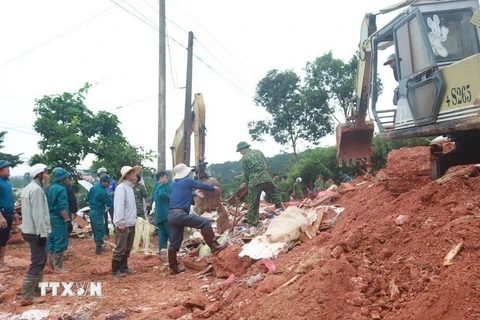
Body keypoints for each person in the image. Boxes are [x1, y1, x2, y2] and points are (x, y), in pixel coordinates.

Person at [168, 163, 227, 274]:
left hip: (171, 216)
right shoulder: (187, 181)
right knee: (204, 222)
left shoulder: (173, 184)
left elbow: (181, 195)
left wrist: (193, 193)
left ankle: (173, 268)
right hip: (181, 215)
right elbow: (201, 185)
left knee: (175, 243)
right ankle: (214, 246)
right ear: (185, 173)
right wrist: (213, 188)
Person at [236, 142, 284, 236]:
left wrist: (248, 183)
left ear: (242, 149)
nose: (240, 153)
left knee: (253, 203)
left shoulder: (243, 159)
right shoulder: (258, 152)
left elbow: (246, 174)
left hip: (254, 181)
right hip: (266, 177)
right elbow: (266, 164)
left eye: (240, 151)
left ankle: (252, 226)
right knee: (276, 197)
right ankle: (284, 213)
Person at [20, 164, 51, 305]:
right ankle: (27, 295)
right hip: (36, 230)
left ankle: (38, 288)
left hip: (28, 229)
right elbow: (38, 214)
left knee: (41, 259)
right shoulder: (37, 190)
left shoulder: (28, 188)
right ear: (39, 175)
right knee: (38, 261)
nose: (47, 176)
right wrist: (42, 233)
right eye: (45, 173)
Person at [112, 166, 137, 277]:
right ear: (127, 175)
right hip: (124, 223)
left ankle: (124, 267)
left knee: (127, 248)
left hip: (130, 222)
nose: (135, 175)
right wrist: (120, 222)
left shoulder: (130, 188)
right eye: (133, 173)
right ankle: (115, 269)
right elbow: (119, 206)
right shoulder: (121, 188)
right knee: (120, 248)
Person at [46, 168, 71, 273]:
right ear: (62, 178)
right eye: (66, 178)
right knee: (59, 241)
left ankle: (50, 264)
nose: (67, 180)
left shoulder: (51, 187)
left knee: (51, 240)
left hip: (50, 217)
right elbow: (62, 207)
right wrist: (67, 220)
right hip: (58, 219)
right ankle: (58, 267)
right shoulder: (61, 189)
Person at [0, 160, 20, 272]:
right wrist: (0, 217)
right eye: (5, 168)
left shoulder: (7, 183)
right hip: (1, 215)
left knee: (4, 239)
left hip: (8, 214)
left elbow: (9, 200)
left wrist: (14, 212)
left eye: (8, 167)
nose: (8, 169)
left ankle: (1, 262)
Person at [86, 175, 113, 255]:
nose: (109, 184)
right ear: (103, 182)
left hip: (92, 211)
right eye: (108, 182)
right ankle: (99, 249)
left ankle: (98, 246)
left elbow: (87, 198)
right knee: (99, 230)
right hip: (98, 212)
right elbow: (109, 203)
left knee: (95, 229)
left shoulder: (93, 188)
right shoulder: (102, 192)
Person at [152, 171, 171, 259]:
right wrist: (171, 198)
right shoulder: (162, 186)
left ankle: (162, 253)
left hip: (159, 214)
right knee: (171, 233)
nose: (167, 179)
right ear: (161, 178)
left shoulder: (155, 187)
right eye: (165, 177)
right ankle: (173, 253)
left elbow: (152, 198)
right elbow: (162, 194)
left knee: (162, 235)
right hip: (166, 213)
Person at [96, 168, 117, 238]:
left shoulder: (112, 182)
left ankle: (116, 232)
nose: (103, 175)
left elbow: (117, 191)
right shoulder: (97, 184)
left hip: (111, 203)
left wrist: (111, 194)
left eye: (104, 174)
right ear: (99, 176)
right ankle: (106, 233)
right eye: (101, 174)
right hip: (102, 204)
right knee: (104, 219)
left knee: (114, 217)